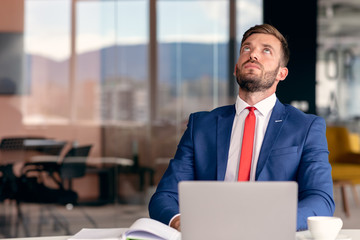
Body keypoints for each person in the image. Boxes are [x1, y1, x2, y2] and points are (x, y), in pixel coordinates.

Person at [148, 24, 335, 231]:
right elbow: (165, 196)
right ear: (236, 68)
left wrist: (269, 224)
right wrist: (180, 221)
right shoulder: (200, 126)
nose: (253, 54)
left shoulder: (307, 127)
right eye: (247, 48)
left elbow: (321, 200)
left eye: (266, 50)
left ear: (282, 73)